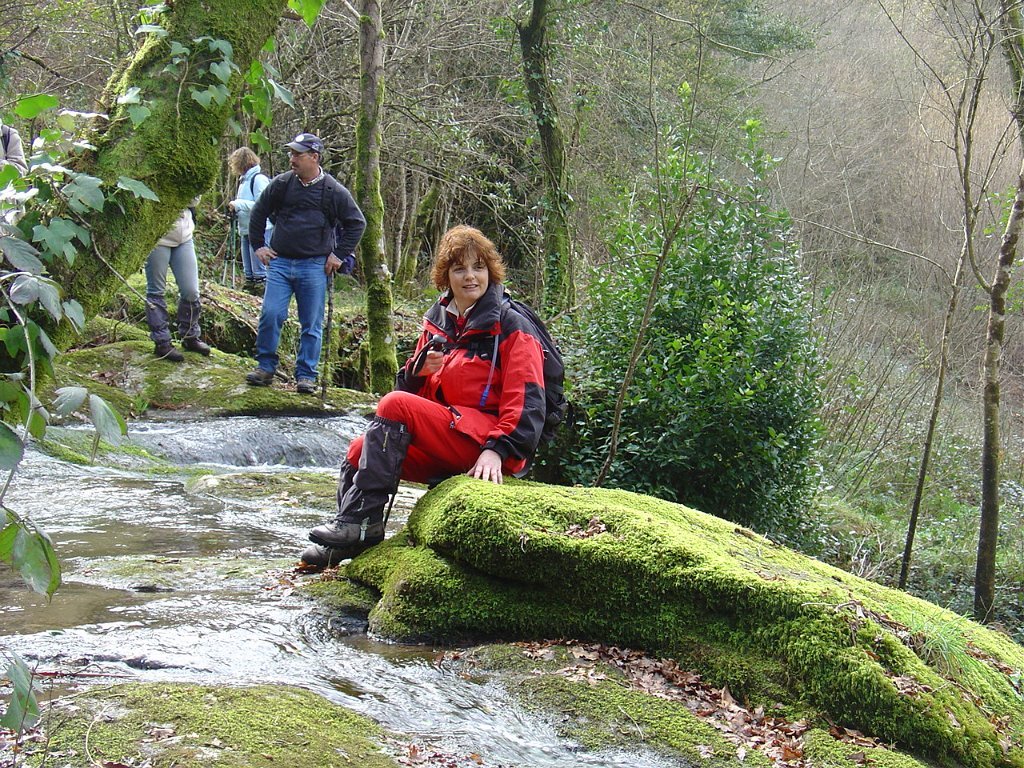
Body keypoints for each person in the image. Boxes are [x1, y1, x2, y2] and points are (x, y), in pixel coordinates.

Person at [301, 225, 547, 570]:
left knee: (392, 403)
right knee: (359, 448)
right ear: (446, 276)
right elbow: (407, 406)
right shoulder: (439, 322)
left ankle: (360, 524)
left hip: (489, 448)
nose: (470, 276)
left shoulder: (512, 326)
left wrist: (498, 450)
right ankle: (353, 533)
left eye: (478, 267)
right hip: (448, 436)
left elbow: (529, 403)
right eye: (459, 268)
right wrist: (418, 372)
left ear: (491, 272)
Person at [245, 133, 366, 395]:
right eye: (291, 154)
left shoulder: (333, 190)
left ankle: (306, 375)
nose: (292, 159)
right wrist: (258, 246)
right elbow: (259, 211)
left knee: (311, 323)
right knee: (271, 314)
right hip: (280, 262)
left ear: (314, 157)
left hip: (314, 266)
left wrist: (338, 255)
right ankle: (265, 367)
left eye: (298, 154)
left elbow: (357, 223)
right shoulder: (282, 184)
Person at [144, 205, 211, 361]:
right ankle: (162, 342)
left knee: (191, 290)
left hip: (184, 235)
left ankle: (190, 336)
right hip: (157, 236)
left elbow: (194, 200)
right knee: (156, 290)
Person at [227, 147, 272, 294]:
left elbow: (263, 205)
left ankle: (262, 295)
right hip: (246, 228)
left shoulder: (258, 179)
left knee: (259, 271)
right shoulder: (243, 181)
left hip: (260, 229)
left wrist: (238, 204)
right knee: (249, 272)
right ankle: (250, 292)